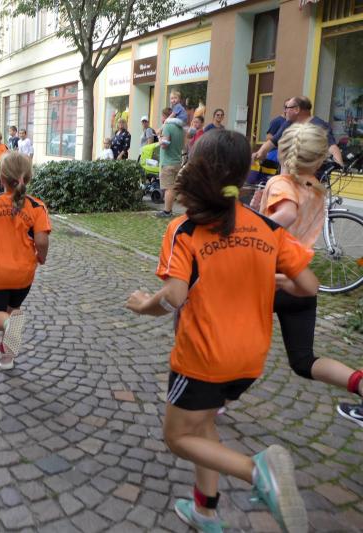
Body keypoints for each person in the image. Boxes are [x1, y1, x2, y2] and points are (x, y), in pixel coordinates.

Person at [126, 129, 316, 533]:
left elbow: (173, 297)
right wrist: (273, 279)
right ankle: (206, 512)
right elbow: (310, 286)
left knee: (178, 437)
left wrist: (143, 305)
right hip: (250, 360)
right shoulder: (266, 227)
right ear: (244, 173)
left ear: (196, 167)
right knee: (204, 424)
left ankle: (256, 471)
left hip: (202, 359)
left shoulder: (185, 229)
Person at [257, 123, 363, 427]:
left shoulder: (280, 183)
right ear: (318, 159)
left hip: (269, 279)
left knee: (230, 339)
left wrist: (252, 227)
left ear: (283, 152)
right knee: (304, 360)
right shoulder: (316, 188)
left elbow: (287, 214)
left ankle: (210, 401)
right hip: (300, 282)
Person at [0, 151, 51, 370]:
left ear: (1, 178)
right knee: (13, 309)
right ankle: (7, 357)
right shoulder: (37, 207)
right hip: (23, 274)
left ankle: (8, 325)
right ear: (28, 177)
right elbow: (41, 240)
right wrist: (41, 256)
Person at [255, 96, 344, 166]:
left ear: (297, 110)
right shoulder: (288, 123)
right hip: (289, 170)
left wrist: (339, 168)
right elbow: (273, 141)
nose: (285, 111)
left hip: (311, 172)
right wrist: (260, 153)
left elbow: (332, 147)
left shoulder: (319, 125)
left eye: (287, 108)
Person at [156, 107, 185, 218]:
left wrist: (159, 138)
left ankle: (167, 211)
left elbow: (164, 144)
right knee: (174, 188)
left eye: (162, 116)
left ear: (165, 116)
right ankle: (171, 210)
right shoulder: (180, 128)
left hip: (167, 162)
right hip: (177, 161)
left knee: (169, 188)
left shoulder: (168, 126)